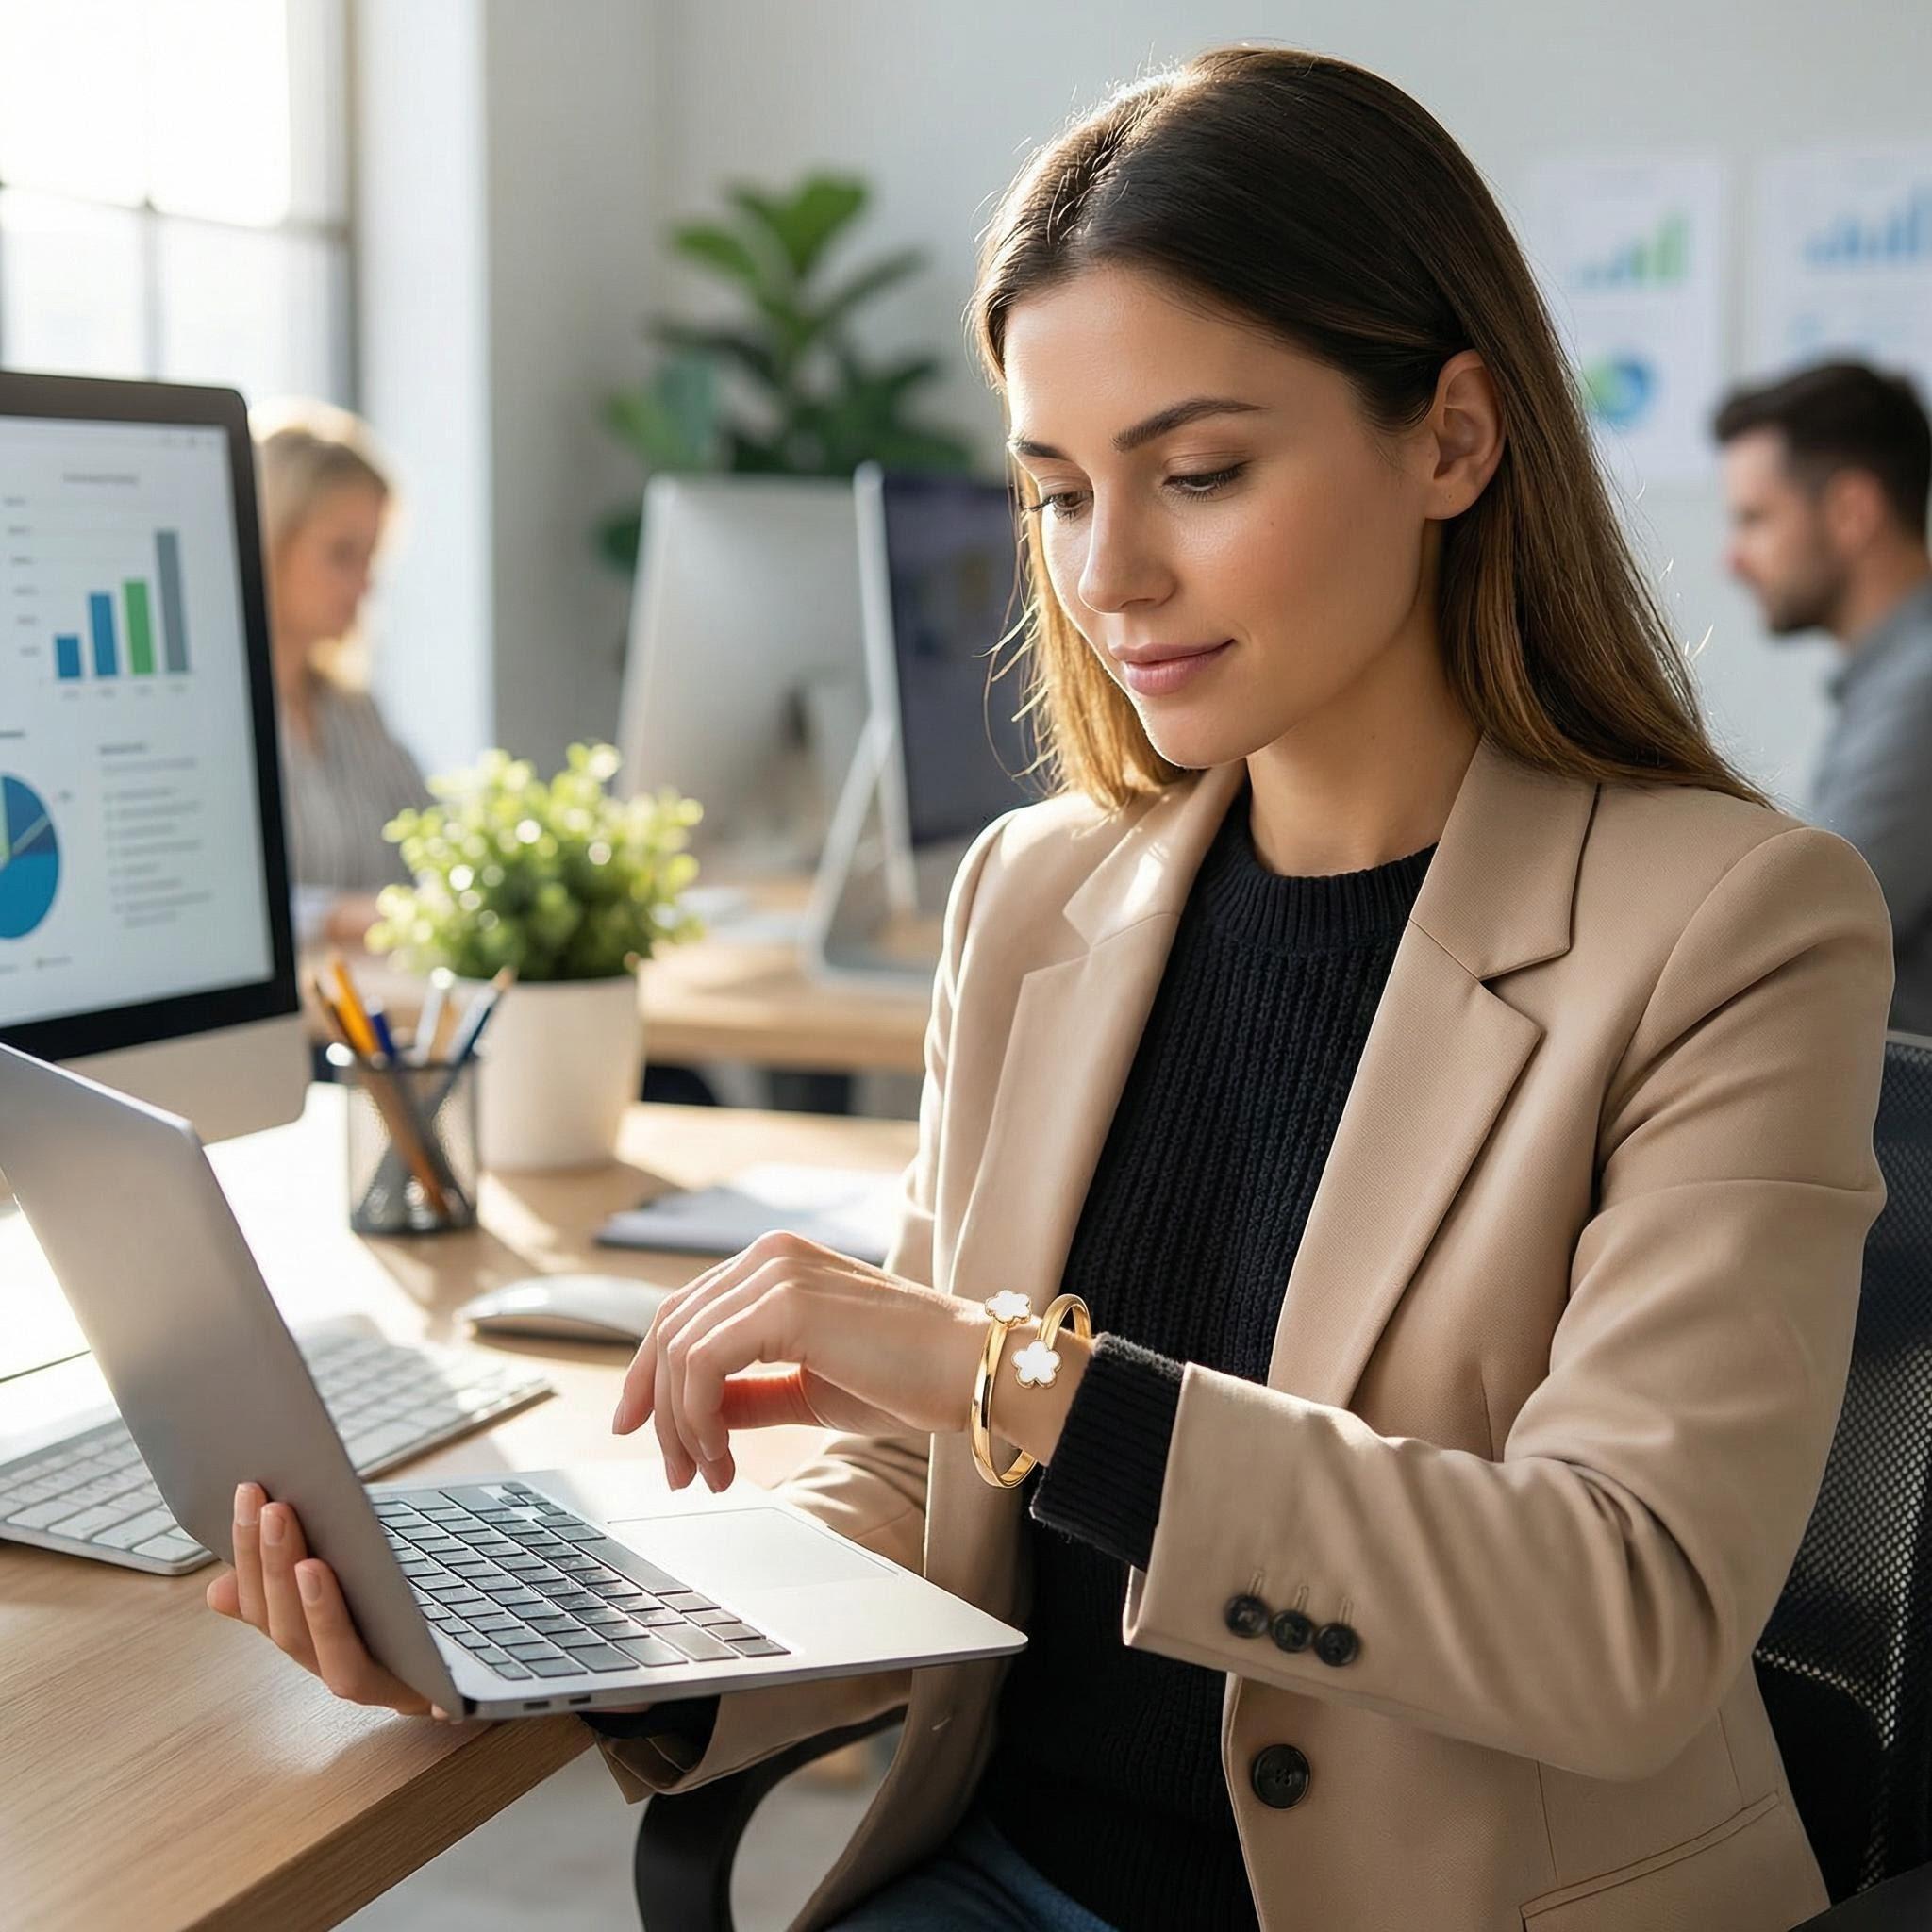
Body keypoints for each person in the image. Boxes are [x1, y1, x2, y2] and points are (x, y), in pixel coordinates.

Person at [205, 48, 1893, 1932]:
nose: (1111, 574)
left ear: (1451, 437)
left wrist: (1012, 1375)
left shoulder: (1736, 924)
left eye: (1196, 472)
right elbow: (904, 1488)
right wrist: (598, 1645)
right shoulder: (1039, 897)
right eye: (1055, 492)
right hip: (1013, 1876)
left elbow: (1622, 1617)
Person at [1713, 360, 1932, 1034]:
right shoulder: (1894, 680)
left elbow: (1797, 934)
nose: (1733, 559)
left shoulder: (1921, 691)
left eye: (1755, 519)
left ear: (1852, 511)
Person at [253, 398, 426, 947]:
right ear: (268, 542)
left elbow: (434, 840)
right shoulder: (209, 719)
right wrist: (337, 917)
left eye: (371, 557)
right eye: (341, 553)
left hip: (382, 1001)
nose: (365, 585)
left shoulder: (352, 710)